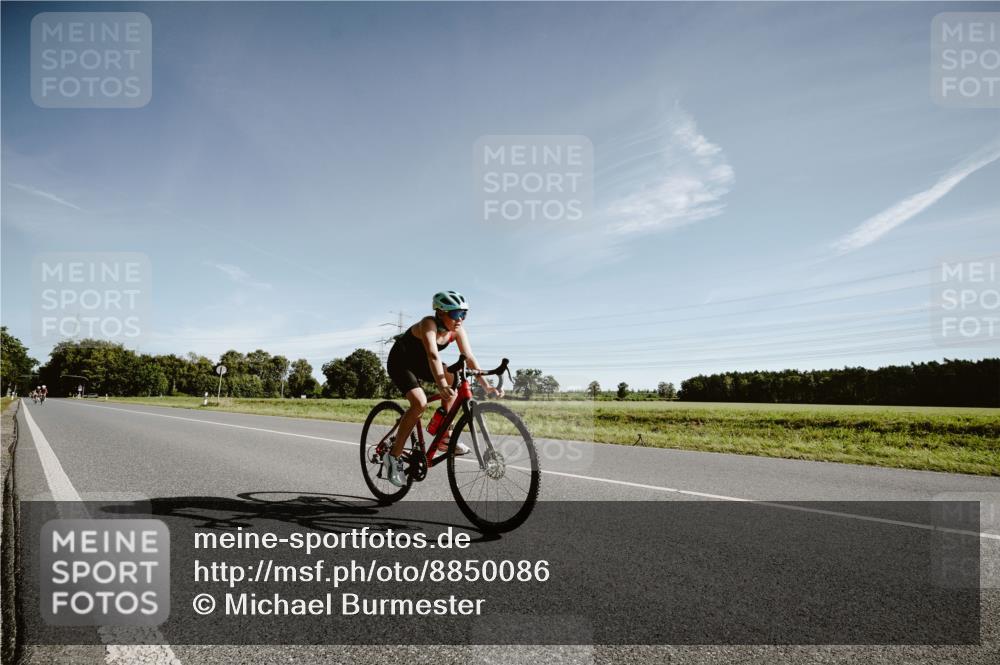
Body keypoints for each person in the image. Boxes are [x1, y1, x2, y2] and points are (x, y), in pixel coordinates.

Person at [384, 291, 502, 487]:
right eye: (456, 314)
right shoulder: (427, 324)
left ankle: (443, 436)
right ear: (440, 313)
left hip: (421, 363)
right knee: (419, 403)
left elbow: (469, 357)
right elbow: (432, 355)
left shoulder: (457, 330)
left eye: (464, 314)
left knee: (455, 382)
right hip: (401, 362)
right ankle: (393, 458)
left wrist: (486, 385)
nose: (460, 319)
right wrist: (441, 384)